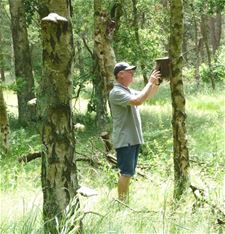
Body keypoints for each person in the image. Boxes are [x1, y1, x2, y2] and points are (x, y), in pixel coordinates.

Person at [109, 61, 161, 202]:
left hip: (133, 138)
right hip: (125, 139)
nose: (132, 74)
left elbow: (147, 96)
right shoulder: (116, 92)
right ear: (120, 74)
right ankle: (122, 203)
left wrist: (155, 83)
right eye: (129, 72)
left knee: (129, 173)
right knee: (125, 173)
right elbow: (138, 100)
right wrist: (149, 83)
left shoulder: (127, 90)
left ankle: (124, 200)